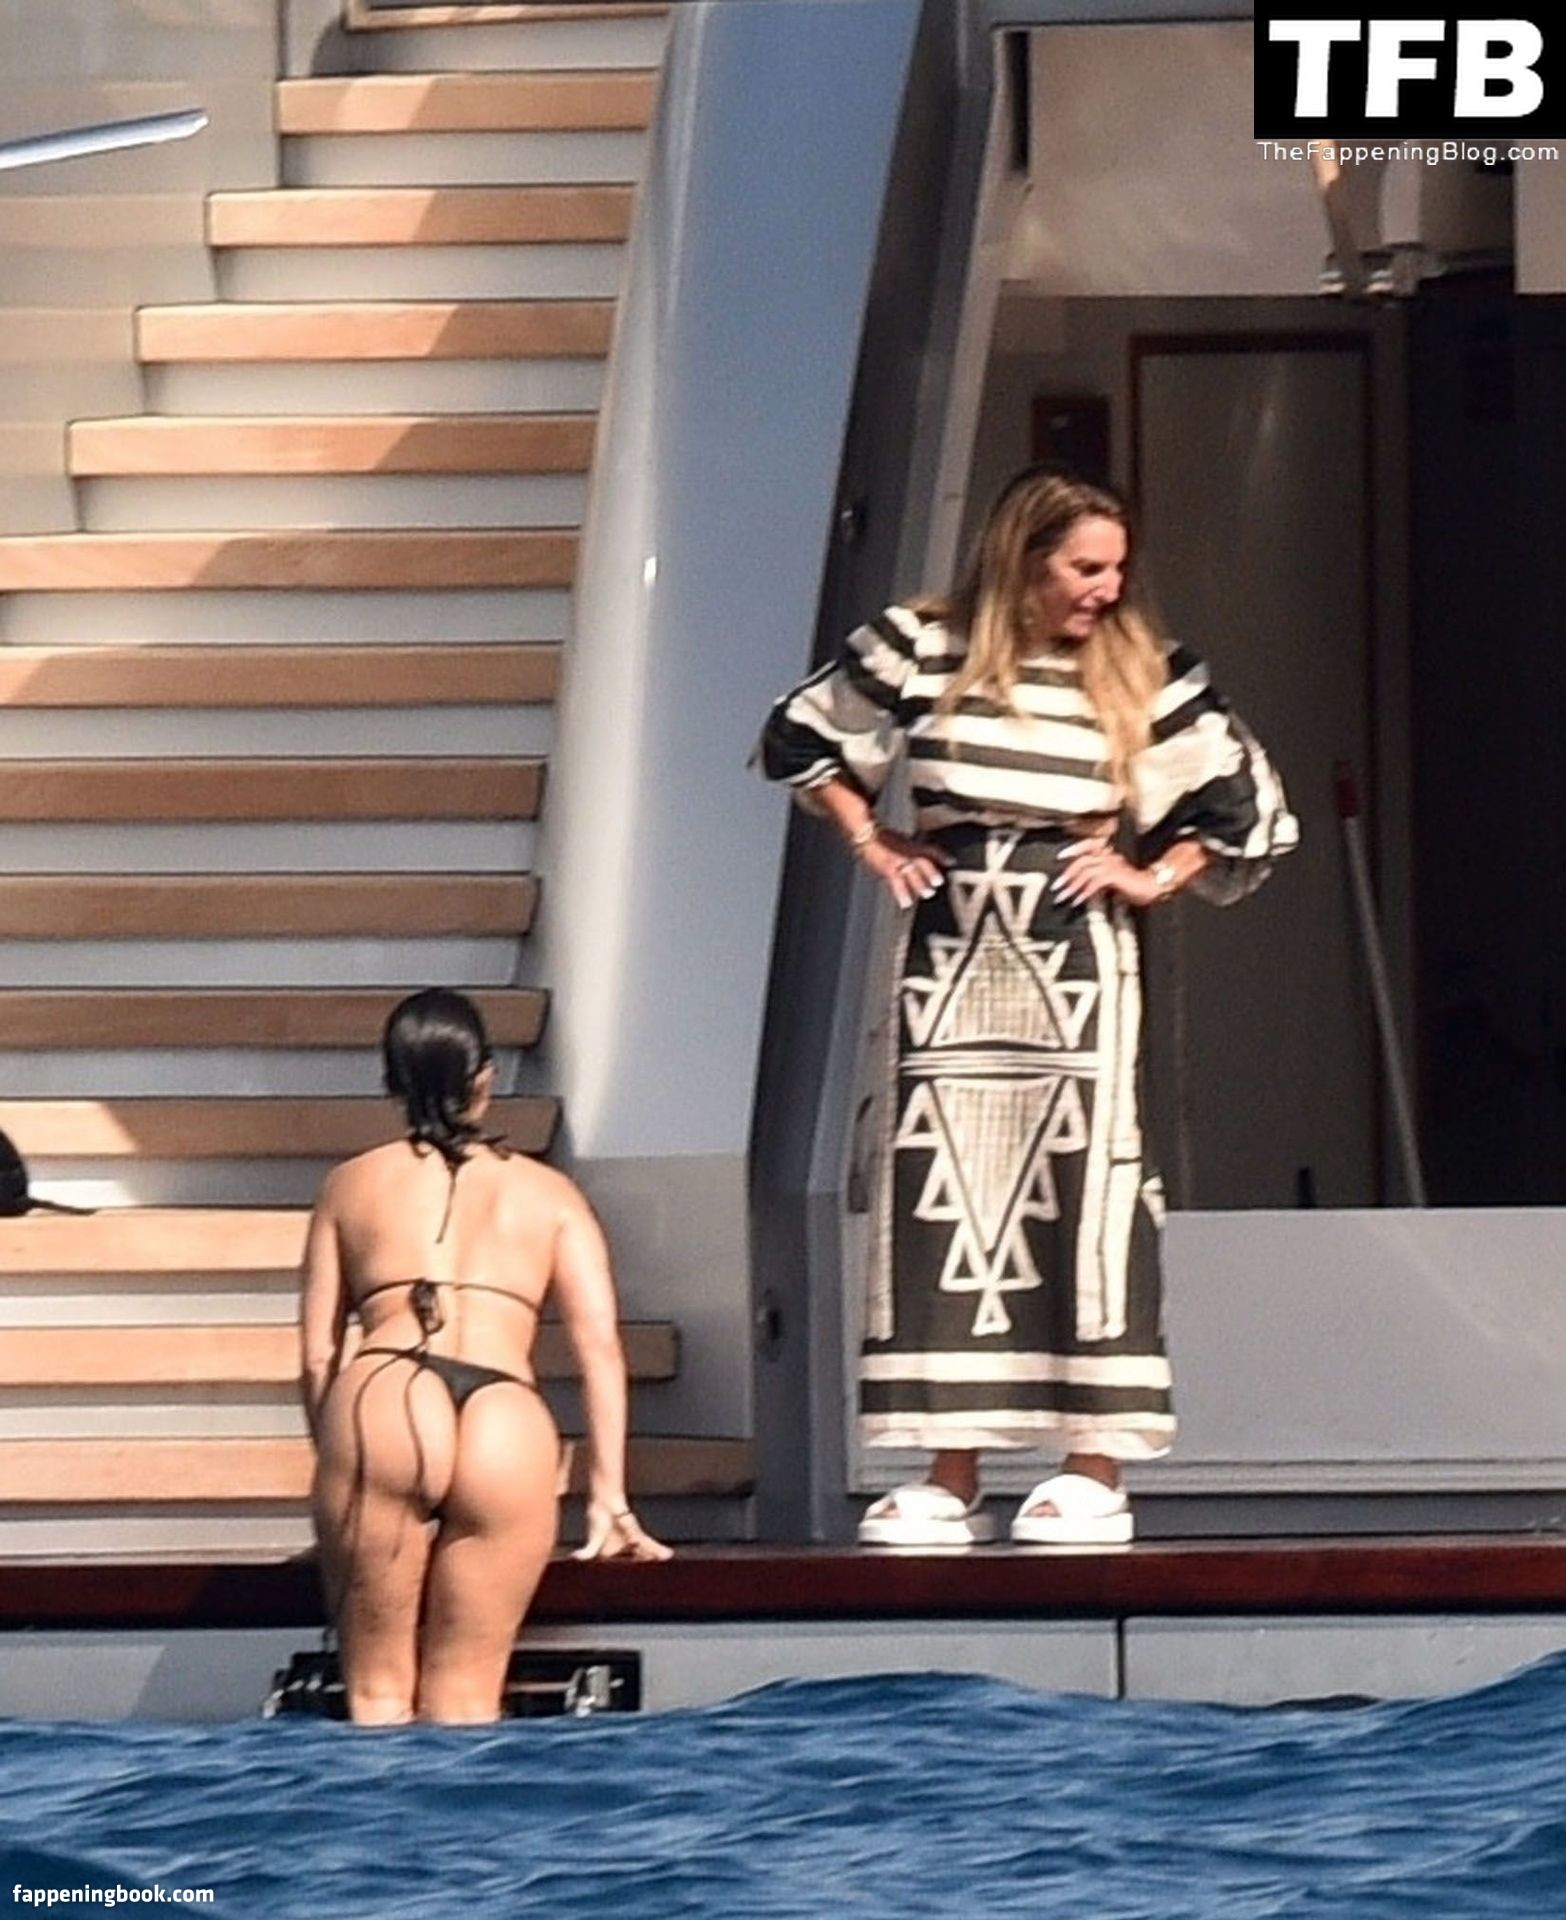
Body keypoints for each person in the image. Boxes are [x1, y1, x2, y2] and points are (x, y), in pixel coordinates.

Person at [756, 466, 1297, 1548]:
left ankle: (1093, 1463)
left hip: (1076, 960)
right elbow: (800, 734)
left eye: (1116, 569)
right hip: (948, 953)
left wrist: (1153, 874)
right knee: (941, 1185)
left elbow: (1244, 803)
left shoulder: (1143, 669)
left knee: (1085, 1188)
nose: (1107, 588)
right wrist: (870, 837)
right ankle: (949, 1471)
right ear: (1025, 559)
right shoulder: (922, 645)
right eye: (1085, 567)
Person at [301, 987, 670, 1725]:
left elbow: (318, 1357)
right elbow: (601, 1350)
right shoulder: (552, 1195)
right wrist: (608, 1494)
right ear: (486, 1078)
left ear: (391, 1082)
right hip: (505, 1415)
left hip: (385, 1397)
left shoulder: (349, 1185)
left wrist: (338, 1478)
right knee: (468, 1703)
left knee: (375, 1699)